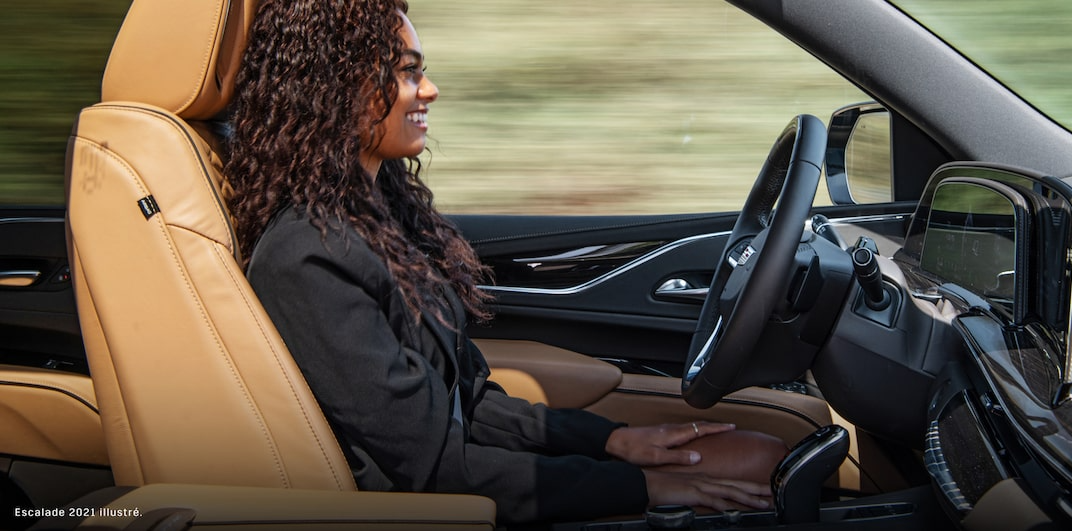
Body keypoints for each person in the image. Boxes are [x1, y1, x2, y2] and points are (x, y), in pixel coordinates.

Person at [224, 0, 784, 524]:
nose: (430, 90)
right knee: (759, 474)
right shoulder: (307, 258)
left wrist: (609, 440)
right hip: (437, 512)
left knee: (763, 456)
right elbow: (433, 469)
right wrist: (639, 489)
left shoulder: (378, 219)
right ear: (337, 85)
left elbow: (465, 401)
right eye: (407, 72)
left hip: (469, 484)